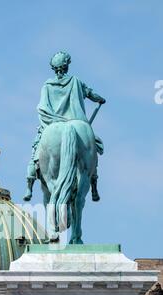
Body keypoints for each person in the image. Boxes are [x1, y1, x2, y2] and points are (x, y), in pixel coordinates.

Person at [24, 51, 106, 202]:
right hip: (76, 120)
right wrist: (100, 99)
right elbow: (91, 94)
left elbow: (42, 107)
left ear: (54, 68)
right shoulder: (76, 81)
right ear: (67, 66)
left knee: (36, 151)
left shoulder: (47, 85)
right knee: (91, 146)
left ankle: (29, 184)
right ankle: (94, 184)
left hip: (52, 122)